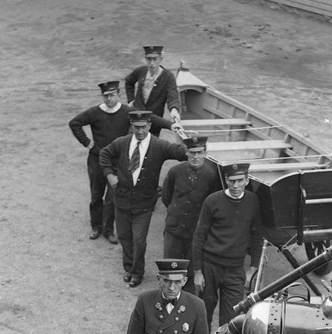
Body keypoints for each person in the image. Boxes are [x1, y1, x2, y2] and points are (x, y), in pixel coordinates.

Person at [99, 110, 188, 288]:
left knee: (139, 240)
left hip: (144, 204)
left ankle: (137, 273)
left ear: (149, 126)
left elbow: (178, 152)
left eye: (143, 127)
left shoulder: (159, 145)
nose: (140, 131)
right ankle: (128, 268)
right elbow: (104, 154)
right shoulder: (122, 142)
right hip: (122, 201)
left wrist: (192, 149)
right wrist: (110, 175)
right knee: (125, 237)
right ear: (132, 126)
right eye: (136, 127)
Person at [193, 162, 264, 331]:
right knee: (204, 313)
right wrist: (197, 272)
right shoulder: (212, 201)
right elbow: (198, 237)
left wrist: (253, 269)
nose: (235, 185)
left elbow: (257, 237)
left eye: (240, 180)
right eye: (231, 181)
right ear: (225, 180)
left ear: (247, 180)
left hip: (235, 270)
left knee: (231, 320)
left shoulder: (253, 202)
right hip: (210, 266)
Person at [68, 80, 131, 243]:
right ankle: (96, 227)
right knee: (96, 195)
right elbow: (74, 123)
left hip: (116, 163)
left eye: (111, 95)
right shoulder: (95, 112)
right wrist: (88, 144)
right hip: (96, 161)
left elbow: (148, 118)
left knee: (112, 198)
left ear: (119, 94)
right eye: (105, 96)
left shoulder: (127, 112)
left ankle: (109, 230)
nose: (108, 99)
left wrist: (170, 124)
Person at [161, 136, 221, 294]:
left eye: (200, 153)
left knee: (190, 272)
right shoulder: (175, 172)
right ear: (186, 152)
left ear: (205, 153)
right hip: (174, 230)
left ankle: (183, 304)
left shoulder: (211, 175)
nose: (196, 157)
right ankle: (168, 299)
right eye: (192, 153)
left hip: (195, 234)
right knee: (170, 268)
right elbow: (166, 197)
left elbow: (213, 204)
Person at [125, 46, 182, 137]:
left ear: (161, 59)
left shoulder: (168, 76)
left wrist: (174, 109)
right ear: (145, 59)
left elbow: (172, 96)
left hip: (154, 122)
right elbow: (129, 81)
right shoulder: (140, 71)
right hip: (136, 119)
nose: (152, 63)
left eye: (155, 59)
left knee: (151, 148)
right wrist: (130, 100)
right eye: (149, 59)